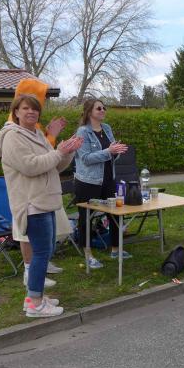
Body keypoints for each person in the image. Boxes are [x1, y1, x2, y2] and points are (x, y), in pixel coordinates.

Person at [0, 94, 82, 317]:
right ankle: (35, 304)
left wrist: (67, 152)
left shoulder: (37, 134)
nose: (31, 112)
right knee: (41, 253)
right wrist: (58, 152)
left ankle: (33, 297)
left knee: (46, 251)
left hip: (46, 200)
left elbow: (53, 166)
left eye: (35, 109)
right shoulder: (12, 137)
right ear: (16, 112)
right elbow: (30, 166)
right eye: (25, 108)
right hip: (31, 203)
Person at [73, 99, 130, 268]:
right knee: (86, 218)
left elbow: (112, 152)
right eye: (99, 108)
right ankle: (88, 255)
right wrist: (108, 151)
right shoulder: (82, 132)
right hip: (88, 182)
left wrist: (116, 152)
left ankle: (115, 249)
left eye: (104, 107)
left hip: (108, 179)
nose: (103, 110)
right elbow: (85, 158)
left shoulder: (107, 128)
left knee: (115, 213)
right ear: (89, 111)